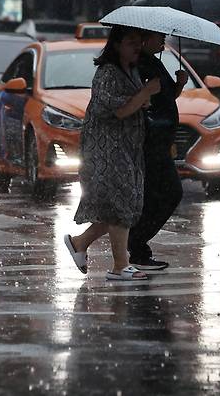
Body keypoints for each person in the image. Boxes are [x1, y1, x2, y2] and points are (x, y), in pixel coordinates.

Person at [63, 25, 162, 281]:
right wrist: (145, 93)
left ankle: (79, 243)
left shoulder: (131, 71)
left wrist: (147, 95)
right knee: (121, 203)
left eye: (139, 42)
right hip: (106, 149)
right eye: (131, 42)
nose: (137, 47)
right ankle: (120, 265)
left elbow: (136, 103)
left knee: (119, 206)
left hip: (127, 147)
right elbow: (119, 110)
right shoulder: (107, 73)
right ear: (116, 45)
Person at [127, 32, 188, 270]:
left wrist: (179, 85)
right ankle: (137, 244)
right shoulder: (139, 65)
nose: (163, 39)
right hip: (150, 141)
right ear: (143, 39)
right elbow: (143, 100)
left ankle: (138, 247)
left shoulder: (154, 62)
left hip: (161, 140)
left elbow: (164, 96)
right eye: (158, 36)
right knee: (169, 192)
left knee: (157, 195)